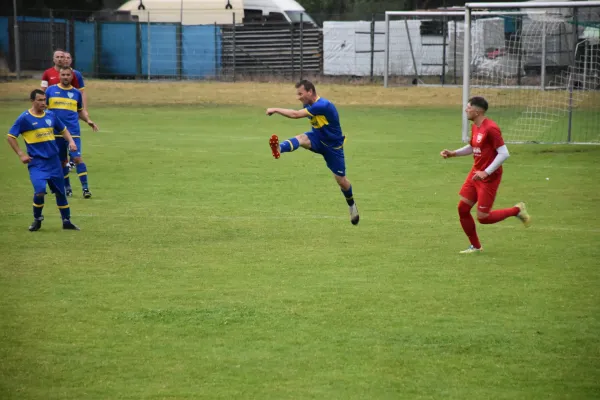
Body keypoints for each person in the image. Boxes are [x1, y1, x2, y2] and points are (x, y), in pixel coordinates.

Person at [440, 96, 531, 254]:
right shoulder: (475, 127)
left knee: (483, 217)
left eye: (468, 108)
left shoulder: (491, 128)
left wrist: (486, 172)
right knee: (462, 209)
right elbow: (473, 146)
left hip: (489, 177)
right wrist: (453, 153)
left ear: (477, 111)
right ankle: (475, 246)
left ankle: (516, 210)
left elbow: (504, 153)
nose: (466, 110)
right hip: (475, 173)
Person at [266, 80, 359, 225]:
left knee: (342, 181)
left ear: (310, 92)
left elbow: (296, 115)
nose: (298, 97)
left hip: (333, 148)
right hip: (317, 138)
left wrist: (275, 109)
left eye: (300, 94)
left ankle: (352, 206)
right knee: (302, 138)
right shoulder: (308, 104)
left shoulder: (323, 105)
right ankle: (278, 149)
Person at [7, 89, 80, 231]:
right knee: (40, 191)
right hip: (37, 163)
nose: (43, 103)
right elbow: (11, 136)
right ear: (32, 101)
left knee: (60, 192)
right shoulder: (25, 118)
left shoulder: (51, 115)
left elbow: (63, 129)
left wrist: (71, 141)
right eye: (40, 100)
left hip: (54, 161)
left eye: (44, 100)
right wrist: (21, 154)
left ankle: (66, 221)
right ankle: (37, 219)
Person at [46, 67, 99, 198]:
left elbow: (79, 110)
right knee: (62, 162)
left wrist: (88, 120)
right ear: (59, 76)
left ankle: (85, 189)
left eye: (68, 75)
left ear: (72, 77)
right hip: (56, 132)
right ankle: (67, 188)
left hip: (73, 131)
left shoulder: (76, 93)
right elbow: (44, 110)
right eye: (63, 74)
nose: (65, 77)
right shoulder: (50, 91)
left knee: (77, 158)